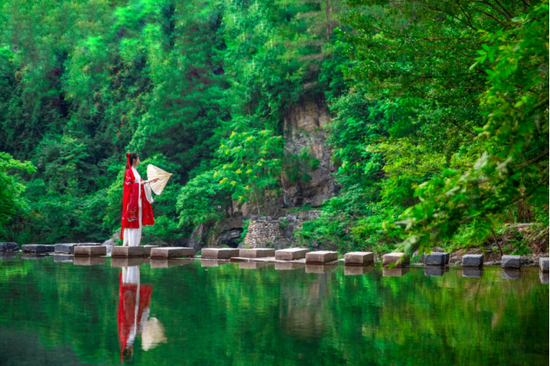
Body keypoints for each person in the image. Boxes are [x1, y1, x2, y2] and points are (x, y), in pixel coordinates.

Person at [120, 153, 158, 246]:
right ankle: (130, 244)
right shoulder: (129, 172)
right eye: (138, 159)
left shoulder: (135, 171)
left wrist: (150, 181)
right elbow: (129, 186)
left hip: (138, 201)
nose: (139, 161)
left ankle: (135, 244)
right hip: (132, 202)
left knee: (138, 223)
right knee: (132, 223)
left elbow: (140, 183)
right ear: (134, 160)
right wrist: (143, 183)